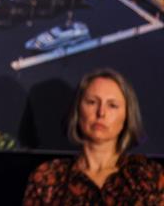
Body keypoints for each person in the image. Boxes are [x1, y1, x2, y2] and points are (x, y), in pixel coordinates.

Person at [23, 68, 164, 205]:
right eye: (92, 102)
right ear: (78, 110)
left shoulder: (149, 176)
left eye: (112, 105)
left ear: (127, 116)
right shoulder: (49, 177)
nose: (101, 113)